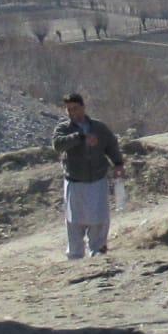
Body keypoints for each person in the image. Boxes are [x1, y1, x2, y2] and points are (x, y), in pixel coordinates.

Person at [53, 93, 125, 259]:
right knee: (74, 221)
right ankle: (75, 254)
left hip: (97, 179)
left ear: (83, 108)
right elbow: (58, 145)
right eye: (69, 109)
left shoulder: (99, 128)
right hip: (75, 181)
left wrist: (118, 164)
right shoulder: (64, 129)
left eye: (75, 108)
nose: (72, 112)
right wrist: (80, 137)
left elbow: (111, 146)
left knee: (99, 218)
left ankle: (98, 250)